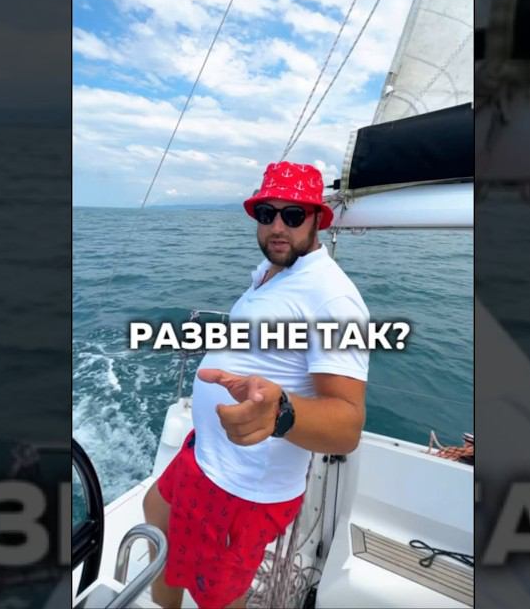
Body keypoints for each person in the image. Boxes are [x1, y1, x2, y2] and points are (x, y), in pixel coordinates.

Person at [142, 161, 370, 609]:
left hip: (241, 487)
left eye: (293, 214)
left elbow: (347, 425)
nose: (278, 227)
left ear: (317, 219)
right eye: (267, 214)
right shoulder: (271, 272)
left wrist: (280, 412)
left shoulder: (332, 298)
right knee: (157, 511)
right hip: (206, 456)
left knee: (219, 595)